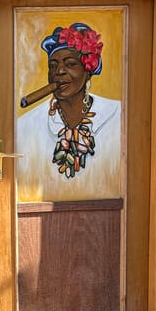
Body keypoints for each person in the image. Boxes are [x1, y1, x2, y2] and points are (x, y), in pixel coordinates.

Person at [16, 22, 122, 202]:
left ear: (88, 71)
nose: (59, 71)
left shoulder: (119, 115)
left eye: (71, 64)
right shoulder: (26, 124)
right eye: (53, 65)